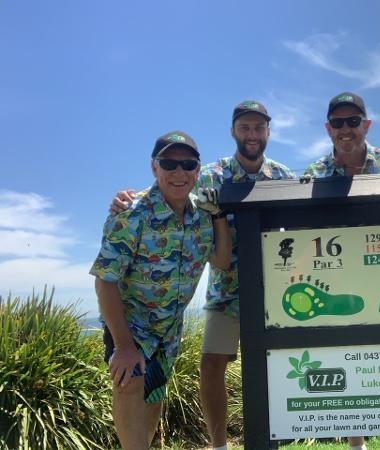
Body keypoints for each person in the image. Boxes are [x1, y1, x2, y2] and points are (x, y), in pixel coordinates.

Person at [109, 102, 295, 450]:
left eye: (258, 128)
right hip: (226, 293)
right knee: (211, 365)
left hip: (278, 293)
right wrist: (127, 199)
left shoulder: (284, 176)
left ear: (268, 132)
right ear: (233, 131)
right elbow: (171, 186)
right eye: (245, 127)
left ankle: (275, 441)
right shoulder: (208, 173)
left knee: (280, 365)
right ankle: (220, 445)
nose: (252, 134)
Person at [304, 91, 380, 450]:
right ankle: (356, 444)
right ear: (329, 129)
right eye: (339, 123)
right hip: (338, 276)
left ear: (367, 125)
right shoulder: (314, 173)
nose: (346, 129)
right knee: (347, 352)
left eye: (353, 122)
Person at [91, 131, 231, 450]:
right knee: (130, 382)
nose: (179, 173)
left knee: (153, 399)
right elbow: (105, 280)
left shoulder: (203, 216)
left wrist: (219, 216)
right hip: (131, 325)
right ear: (155, 168)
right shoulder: (131, 213)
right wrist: (124, 346)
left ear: (198, 169)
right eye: (169, 163)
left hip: (168, 332)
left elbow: (221, 261)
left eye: (188, 164)